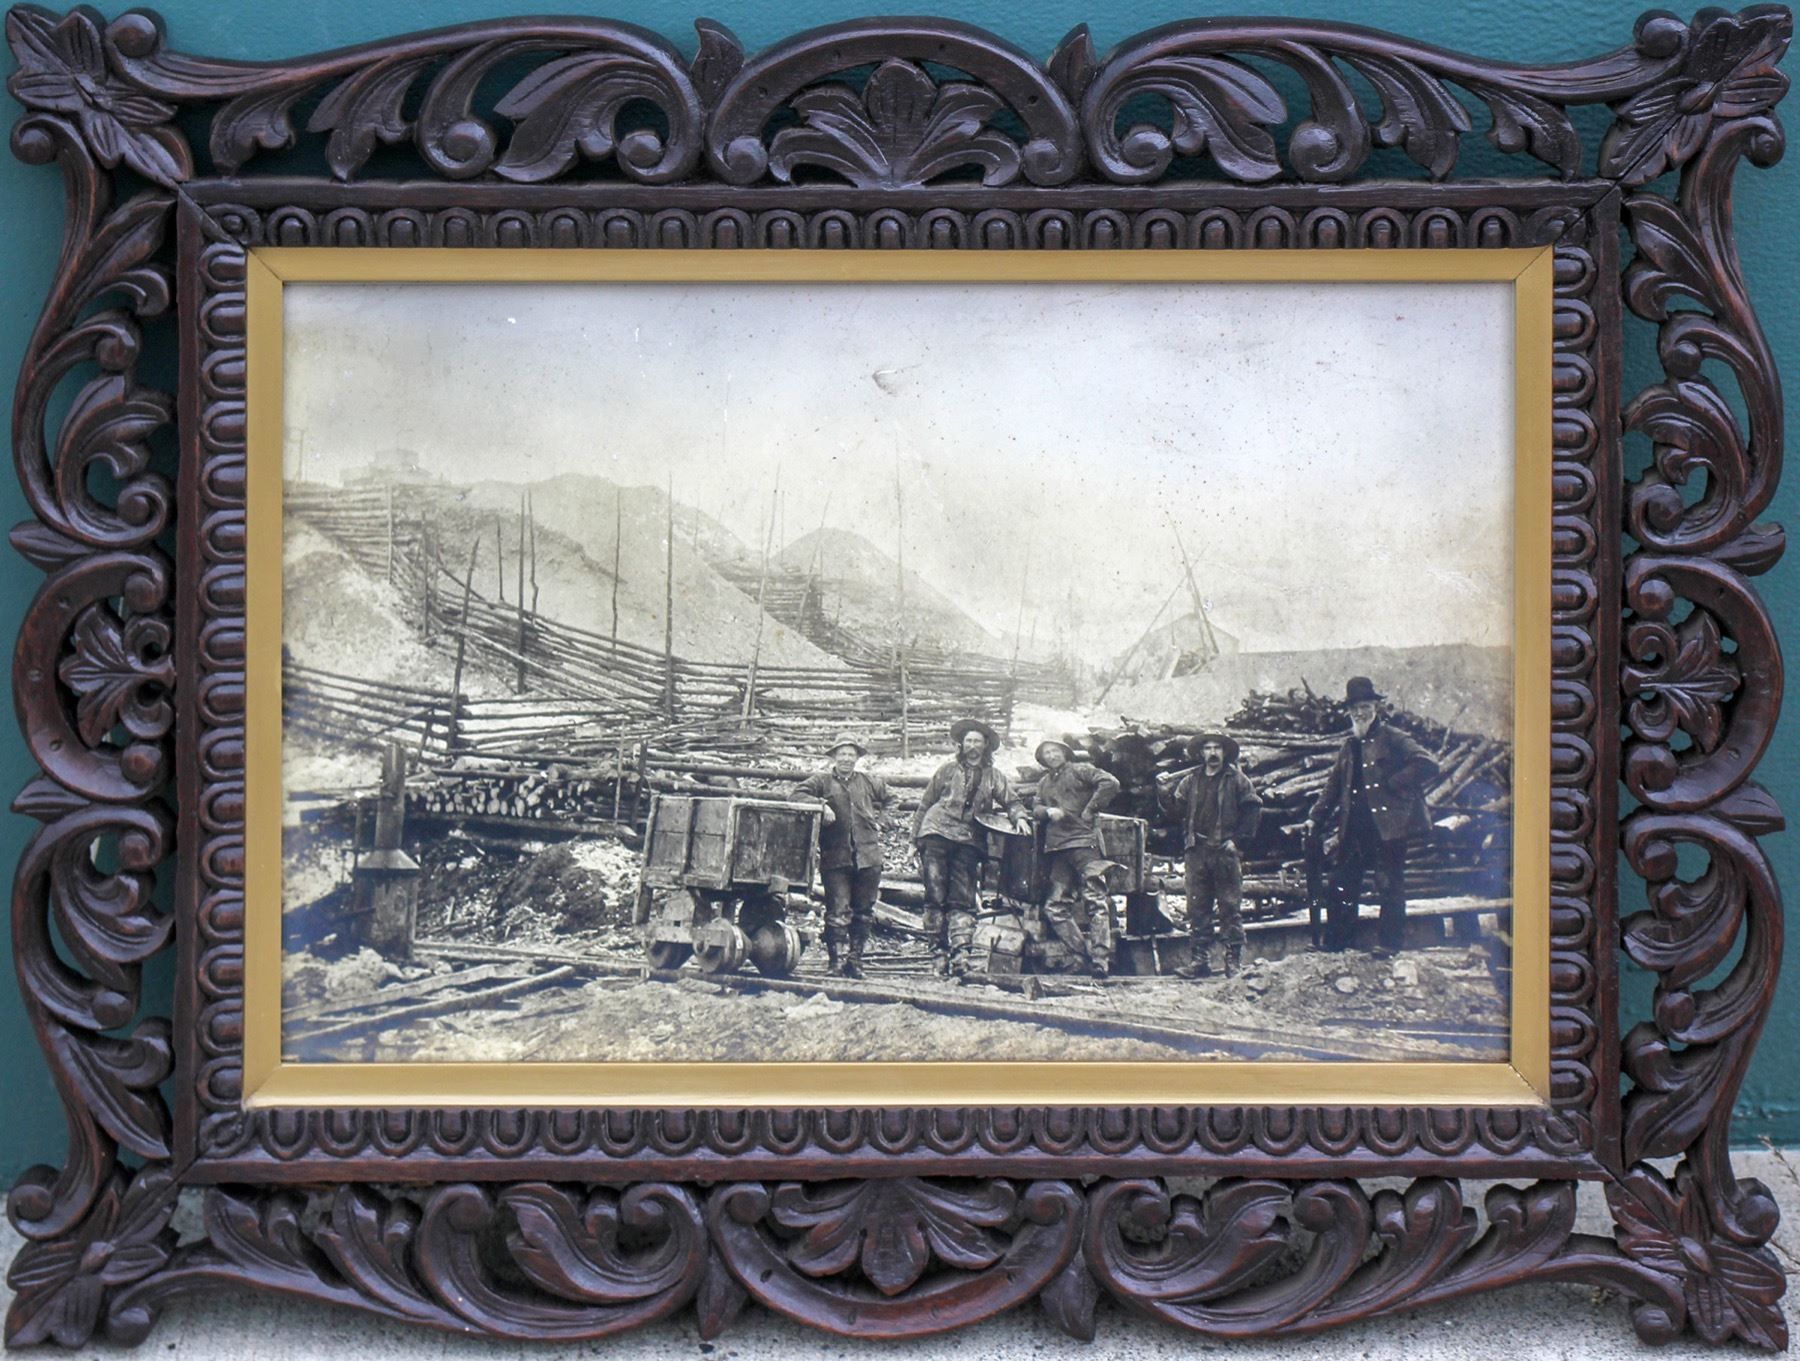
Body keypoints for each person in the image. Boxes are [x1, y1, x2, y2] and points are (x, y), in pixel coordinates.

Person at [1307, 676, 1441, 957]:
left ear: (1375, 707)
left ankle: (1389, 944)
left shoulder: (1393, 737)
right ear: (1349, 712)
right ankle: (1338, 943)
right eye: (1355, 708)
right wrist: (1314, 818)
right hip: (1354, 829)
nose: (1360, 713)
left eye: (1365, 706)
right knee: (1341, 884)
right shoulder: (1349, 746)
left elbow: (1428, 764)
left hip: (1387, 828)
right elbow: (1333, 786)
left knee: (1389, 885)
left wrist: (1394, 783)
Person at [913, 717, 1027, 978]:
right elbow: (925, 803)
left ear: (986, 746)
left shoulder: (994, 776)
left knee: (962, 899)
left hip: (968, 841)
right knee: (934, 896)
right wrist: (913, 840)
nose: (972, 745)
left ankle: (960, 955)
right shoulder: (947, 770)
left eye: (977, 741)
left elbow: (1012, 801)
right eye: (968, 741)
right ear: (961, 745)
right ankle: (938, 955)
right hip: (936, 834)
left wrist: (1019, 817)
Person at [791, 733, 896, 979]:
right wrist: (821, 805)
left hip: (868, 857)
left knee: (864, 912)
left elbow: (892, 798)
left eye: (851, 754)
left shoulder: (869, 782)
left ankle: (855, 962)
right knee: (837, 911)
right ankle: (836, 962)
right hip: (836, 857)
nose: (846, 759)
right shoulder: (822, 781)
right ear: (834, 757)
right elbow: (796, 795)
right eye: (842, 754)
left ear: (857, 758)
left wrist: (883, 820)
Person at [1160, 731, 1262, 978]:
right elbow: (1175, 812)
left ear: (1224, 753)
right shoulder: (1190, 781)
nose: (1213, 753)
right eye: (1208, 748)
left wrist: (1237, 842)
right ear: (1201, 753)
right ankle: (1199, 961)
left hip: (1224, 852)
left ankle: (1233, 961)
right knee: (1197, 907)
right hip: (1197, 851)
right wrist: (1163, 791)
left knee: (1229, 907)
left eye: (1217, 748)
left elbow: (1253, 809)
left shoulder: (1237, 780)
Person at [1031, 738, 1121, 978]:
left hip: (1085, 845)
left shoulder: (1081, 770)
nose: (1052, 755)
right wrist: (1047, 811)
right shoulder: (1043, 783)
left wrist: (1090, 809)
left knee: (1095, 900)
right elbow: (1036, 808)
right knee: (1055, 907)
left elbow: (1110, 783)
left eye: (1055, 751)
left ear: (1064, 752)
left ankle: (1101, 960)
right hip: (1059, 849)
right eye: (1047, 753)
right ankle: (1082, 956)